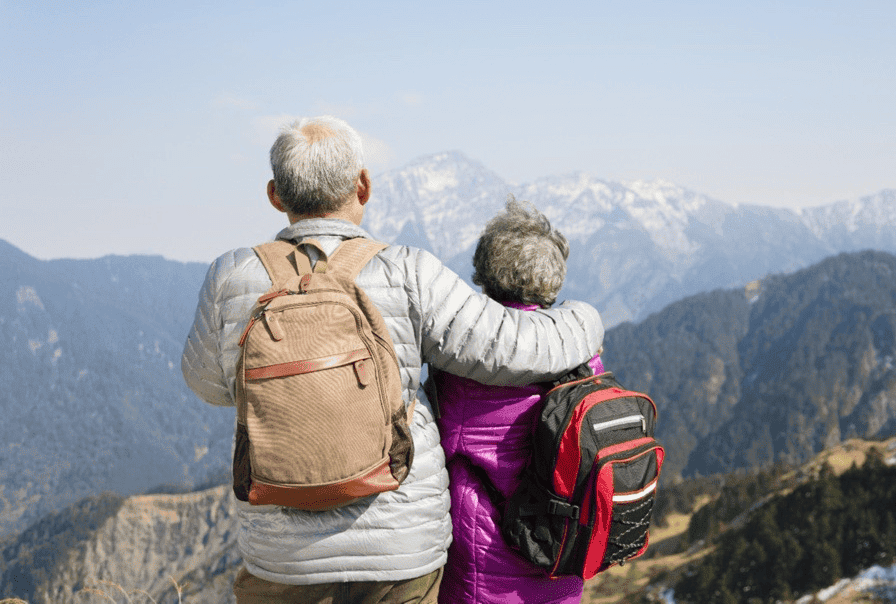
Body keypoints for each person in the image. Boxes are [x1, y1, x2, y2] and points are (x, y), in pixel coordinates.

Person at [180, 116, 605, 604]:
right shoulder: (407, 272)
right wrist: (585, 317)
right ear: (363, 186)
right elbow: (513, 347)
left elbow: (207, 383)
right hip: (399, 549)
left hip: (282, 556)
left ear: (275, 195)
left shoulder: (231, 277)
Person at [433, 196, 601, 604]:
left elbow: (432, 442)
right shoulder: (586, 357)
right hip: (562, 553)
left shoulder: (464, 365)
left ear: (485, 274)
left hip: (488, 569)